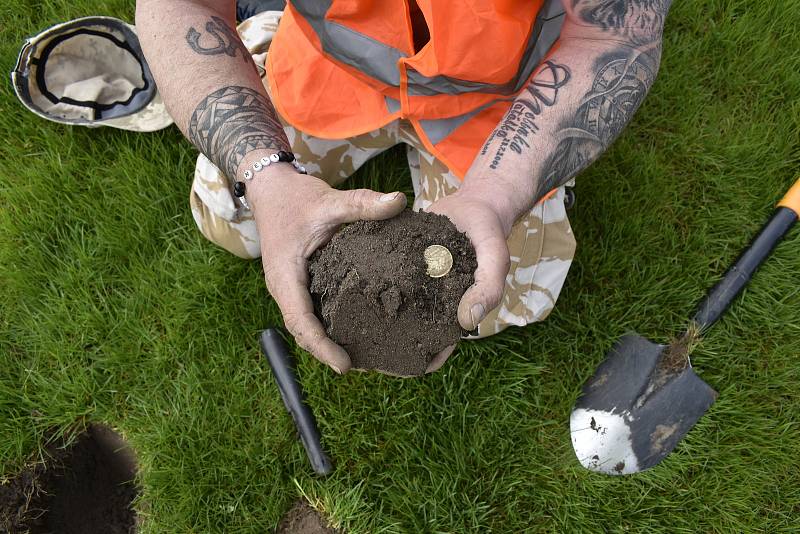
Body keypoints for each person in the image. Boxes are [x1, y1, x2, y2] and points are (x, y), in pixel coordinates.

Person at [136, 0, 671, 374]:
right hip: (335, 74)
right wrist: (268, 181)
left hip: (500, 103)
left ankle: (550, 176)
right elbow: (182, 7)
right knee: (229, 216)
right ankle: (266, 37)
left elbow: (615, 33)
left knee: (498, 302)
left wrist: (496, 194)